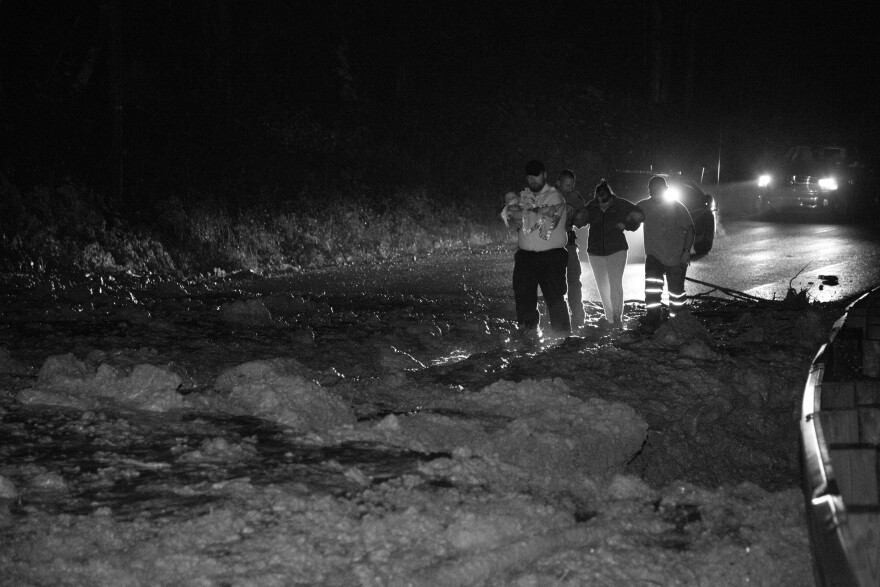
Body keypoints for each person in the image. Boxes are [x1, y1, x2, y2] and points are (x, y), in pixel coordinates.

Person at [500, 159, 571, 340]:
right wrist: (519, 213)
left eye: (536, 175)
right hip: (525, 257)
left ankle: (562, 337)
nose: (532, 179)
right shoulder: (523, 197)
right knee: (523, 297)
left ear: (544, 175)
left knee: (555, 298)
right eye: (529, 176)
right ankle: (528, 334)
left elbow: (547, 217)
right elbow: (509, 215)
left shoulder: (555, 196)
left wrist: (523, 214)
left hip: (552, 257)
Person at [578, 179, 645, 329]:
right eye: (600, 202)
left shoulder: (620, 204)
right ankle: (610, 320)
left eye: (605, 202)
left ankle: (617, 317)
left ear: (610, 197)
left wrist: (627, 223)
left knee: (614, 284)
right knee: (603, 286)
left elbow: (639, 217)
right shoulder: (592, 206)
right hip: (595, 252)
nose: (602, 205)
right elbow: (580, 221)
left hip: (617, 250)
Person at [636, 175, 695, 332]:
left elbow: (690, 229)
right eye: (652, 189)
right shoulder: (644, 206)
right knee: (652, 290)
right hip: (654, 256)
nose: (655, 191)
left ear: (665, 189)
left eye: (658, 188)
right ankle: (653, 318)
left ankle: (677, 320)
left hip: (675, 257)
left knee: (676, 293)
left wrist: (686, 252)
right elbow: (630, 214)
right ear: (649, 190)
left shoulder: (676, 207)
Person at [556, 169, 587, 329]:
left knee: (574, 280)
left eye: (572, 185)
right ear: (558, 183)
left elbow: (582, 219)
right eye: (566, 185)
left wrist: (579, 216)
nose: (569, 187)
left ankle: (578, 317)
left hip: (569, 243)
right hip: (553, 246)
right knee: (555, 283)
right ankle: (558, 318)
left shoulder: (575, 197)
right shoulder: (548, 196)